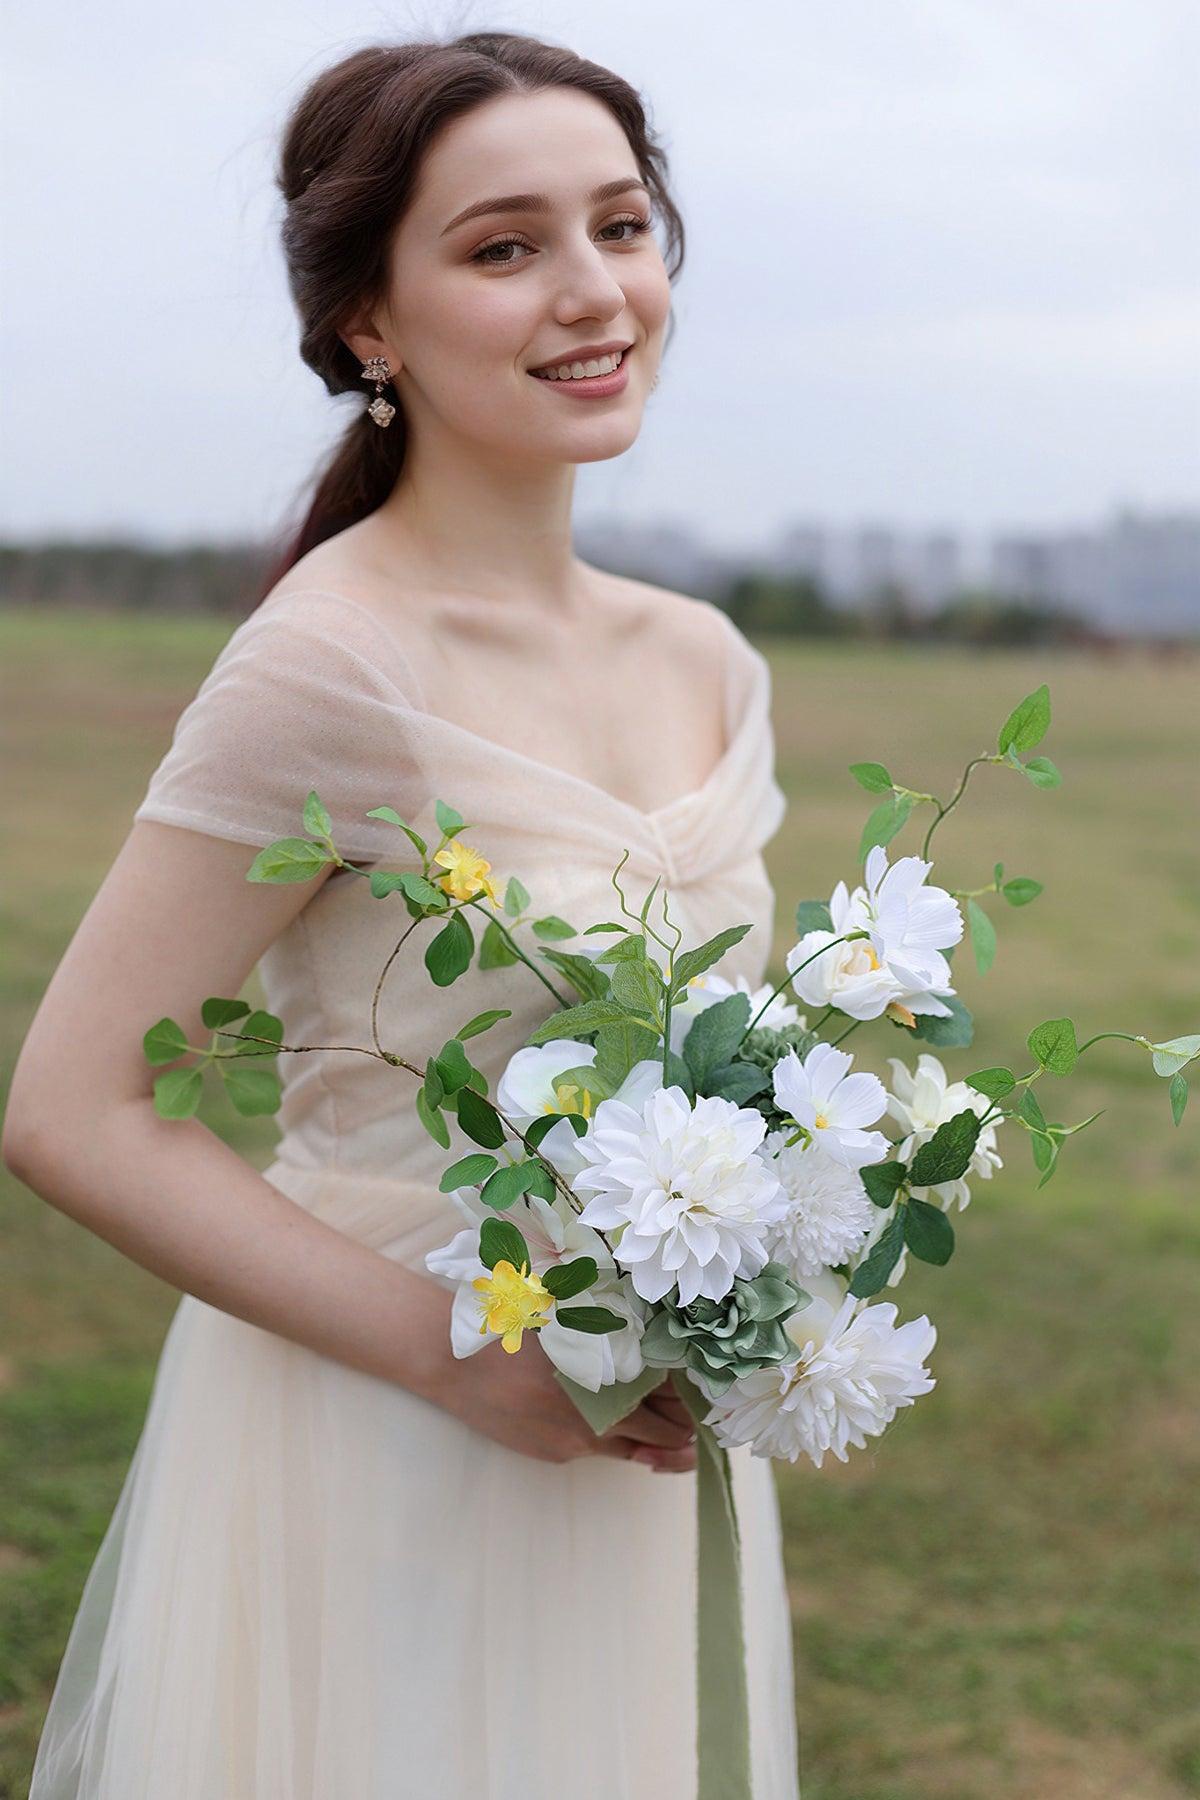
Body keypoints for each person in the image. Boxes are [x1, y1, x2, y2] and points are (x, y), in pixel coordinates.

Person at [6, 30, 799, 1799]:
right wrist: (463, 1364)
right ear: (372, 321)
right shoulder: (328, 662)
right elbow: (72, 1108)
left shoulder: (706, 660)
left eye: (622, 224)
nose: (595, 291)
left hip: (641, 1447)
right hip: (385, 1426)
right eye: (505, 247)